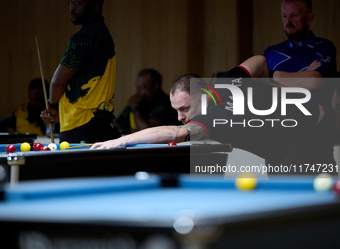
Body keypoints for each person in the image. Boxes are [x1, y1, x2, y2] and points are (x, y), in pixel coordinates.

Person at [91, 56, 330, 170]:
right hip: (289, 141)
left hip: (307, 137)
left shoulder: (212, 116)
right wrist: (266, 87)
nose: (181, 116)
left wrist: (121, 140)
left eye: (184, 108)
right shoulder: (225, 81)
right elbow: (259, 61)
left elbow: (175, 133)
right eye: (176, 110)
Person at [263, 0, 337, 166]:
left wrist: (274, 76)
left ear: (309, 18)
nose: (288, 21)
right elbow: (261, 86)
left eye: (294, 15)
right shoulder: (271, 52)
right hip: (277, 138)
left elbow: (314, 82)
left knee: (326, 191)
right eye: (284, 16)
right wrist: (303, 75)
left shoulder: (324, 47)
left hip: (316, 137)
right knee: (278, 191)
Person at [40, 0, 120, 143]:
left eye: (78, 3)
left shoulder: (82, 38)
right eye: (71, 2)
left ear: (94, 7)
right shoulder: (104, 35)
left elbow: (58, 81)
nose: (71, 7)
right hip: (101, 121)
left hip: (79, 124)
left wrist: (52, 106)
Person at [114, 69, 180, 134]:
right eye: (137, 87)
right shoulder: (140, 100)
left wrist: (135, 108)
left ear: (155, 87)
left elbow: (147, 130)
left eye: (143, 87)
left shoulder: (166, 103)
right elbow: (117, 125)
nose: (138, 91)